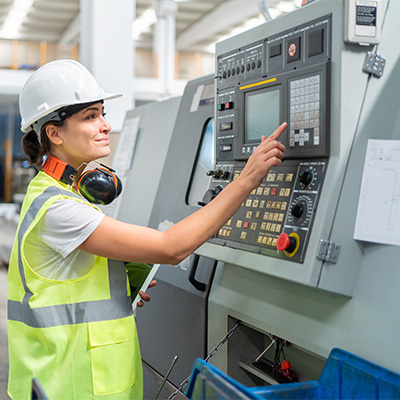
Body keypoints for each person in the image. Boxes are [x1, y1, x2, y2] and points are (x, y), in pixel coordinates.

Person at [7, 59, 287, 400]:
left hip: (81, 380)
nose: (105, 125)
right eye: (90, 117)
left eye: (102, 113)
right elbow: (171, 247)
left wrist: (119, 285)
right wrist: (246, 180)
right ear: (54, 133)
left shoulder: (59, 193)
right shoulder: (59, 208)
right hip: (72, 385)